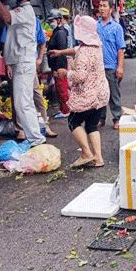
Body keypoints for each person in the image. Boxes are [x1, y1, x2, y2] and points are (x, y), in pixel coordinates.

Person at [0, 0, 46, 146]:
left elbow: (5, 16)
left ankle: (36, 139)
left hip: (23, 61)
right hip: (20, 62)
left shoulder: (25, 11)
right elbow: (1, 20)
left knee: (22, 103)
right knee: (23, 102)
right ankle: (36, 138)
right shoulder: (19, 12)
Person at [49, 16, 109, 168]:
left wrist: (66, 73)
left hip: (86, 96)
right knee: (92, 126)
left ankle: (86, 153)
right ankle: (98, 158)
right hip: (100, 94)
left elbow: (80, 76)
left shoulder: (83, 52)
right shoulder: (96, 46)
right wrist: (60, 52)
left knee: (73, 121)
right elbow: (76, 50)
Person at [96, 0, 125, 129]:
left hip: (111, 67)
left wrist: (120, 67)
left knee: (113, 94)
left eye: (104, 6)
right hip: (97, 67)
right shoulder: (95, 26)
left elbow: (120, 49)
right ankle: (100, 118)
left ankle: (117, 118)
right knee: (99, 94)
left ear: (111, 9)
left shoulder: (116, 27)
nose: (101, 8)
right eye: (100, 6)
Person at [47, 9, 70, 118]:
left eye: (53, 20)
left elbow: (61, 51)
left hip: (59, 66)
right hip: (55, 66)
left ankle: (66, 110)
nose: (51, 22)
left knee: (62, 89)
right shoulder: (57, 31)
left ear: (59, 19)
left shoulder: (60, 32)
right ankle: (62, 109)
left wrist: (59, 68)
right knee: (59, 89)